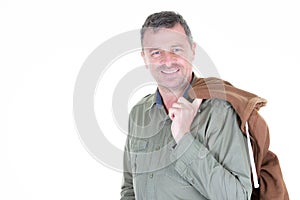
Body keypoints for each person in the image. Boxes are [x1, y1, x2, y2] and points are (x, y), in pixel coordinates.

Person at [121, 11, 253, 199]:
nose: (167, 61)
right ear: (145, 58)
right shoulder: (139, 113)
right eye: (156, 52)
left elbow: (238, 196)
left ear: (192, 50)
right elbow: (129, 188)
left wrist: (184, 139)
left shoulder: (219, 111)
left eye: (176, 49)